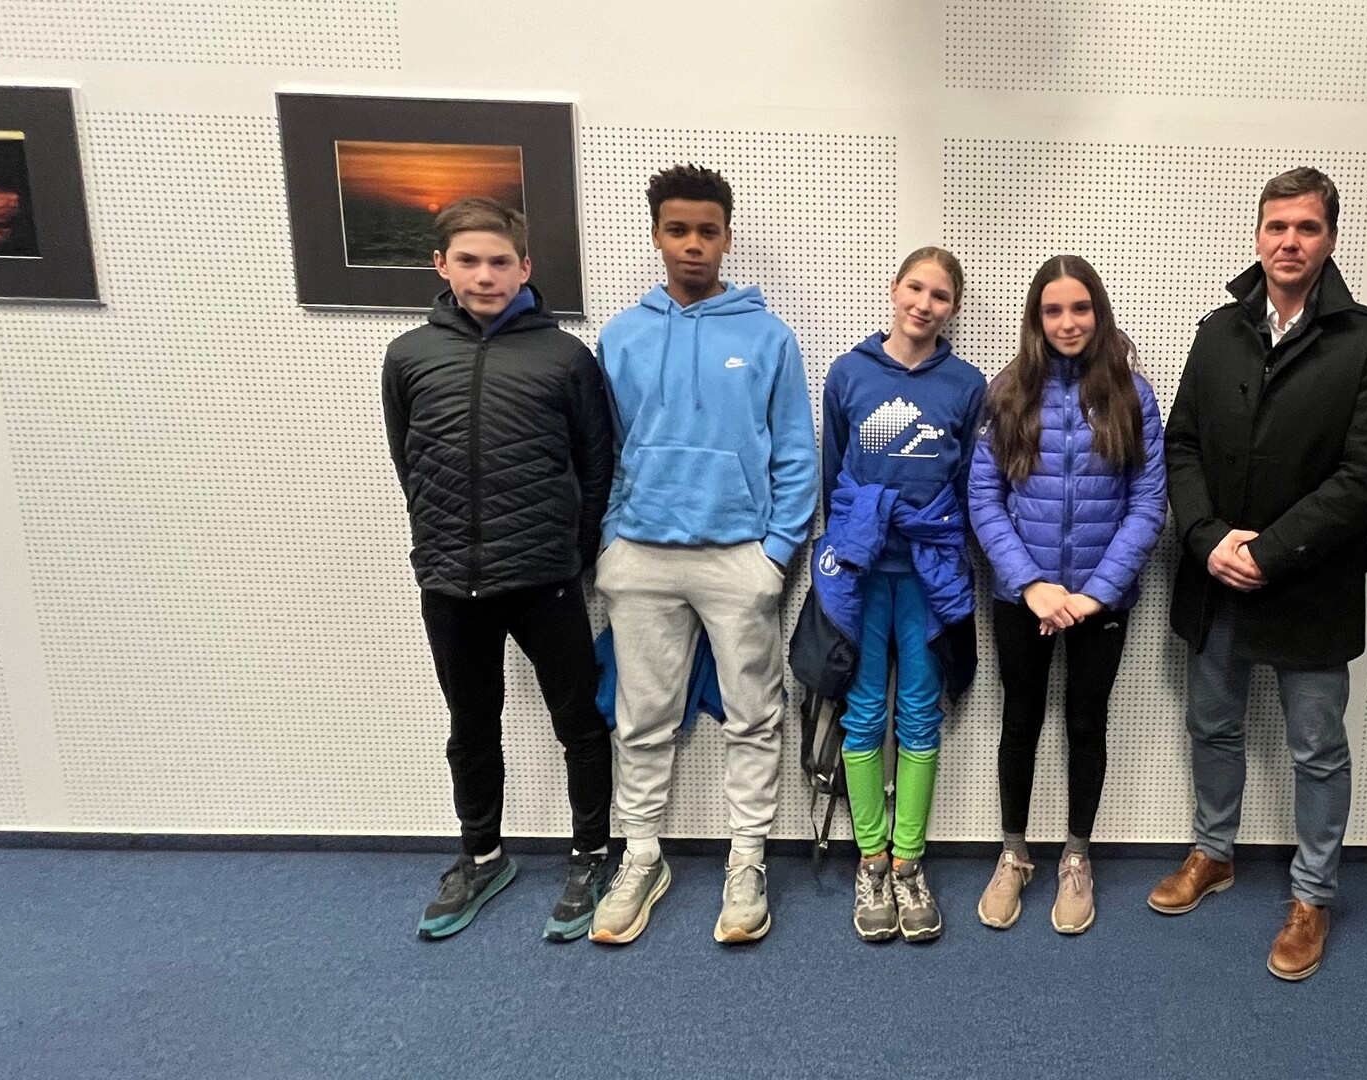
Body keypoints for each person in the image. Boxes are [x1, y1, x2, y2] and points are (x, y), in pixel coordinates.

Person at [1154, 167, 1367, 980]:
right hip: (1215, 574)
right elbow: (1182, 444)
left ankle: (1312, 896)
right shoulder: (1218, 331)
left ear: (1329, 239)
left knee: (1318, 748)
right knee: (1212, 724)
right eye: (1276, 226)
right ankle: (1213, 853)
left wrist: (1268, 552)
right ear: (1257, 235)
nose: (1289, 241)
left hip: (1310, 583)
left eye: (1306, 227)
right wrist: (1207, 538)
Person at [591, 164, 817, 945]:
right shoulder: (621, 335)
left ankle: (746, 859)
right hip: (640, 558)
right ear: (656, 235)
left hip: (737, 559)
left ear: (726, 237)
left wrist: (774, 554)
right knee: (641, 719)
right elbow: (600, 450)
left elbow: (796, 453)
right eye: (678, 230)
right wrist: (611, 544)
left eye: (707, 231)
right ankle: (640, 857)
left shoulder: (767, 336)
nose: (693, 244)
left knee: (753, 716)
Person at [381, 197, 614, 942]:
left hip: (545, 576)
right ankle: (481, 854)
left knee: (579, 721)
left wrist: (573, 555)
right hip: (451, 580)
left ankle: (591, 853)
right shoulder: (409, 356)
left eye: (500, 261)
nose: (486, 275)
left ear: (525, 268)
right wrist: (443, 544)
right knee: (471, 725)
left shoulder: (566, 358)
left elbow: (596, 468)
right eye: (470, 261)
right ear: (441, 266)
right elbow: (411, 463)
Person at [968, 255, 1166, 935]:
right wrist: (1031, 583)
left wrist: (1095, 594)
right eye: (1053, 310)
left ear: (1098, 312)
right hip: (1021, 597)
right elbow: (984, 499)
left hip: (1099, 604)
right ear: (1036, 318)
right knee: (1020, 721)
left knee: (1087, 723)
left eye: (1080, 307)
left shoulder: (1132, 396)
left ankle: (1076, 858)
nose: (1068, 322)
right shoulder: (1007, 393)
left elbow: (1148, 503)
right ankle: (1014, 853)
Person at [820, 247, 985, 942]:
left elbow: (970, 487)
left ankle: (908, 861)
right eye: (915, 288)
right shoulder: (849, 373)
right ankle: (871, 860)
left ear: (953, 309)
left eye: (940, 295)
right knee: (862, 715)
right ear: (894, 290)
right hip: (862, 573)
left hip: (929, 574)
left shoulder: (966, 385)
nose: (924, 304)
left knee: (919, 715)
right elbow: (833, 476)